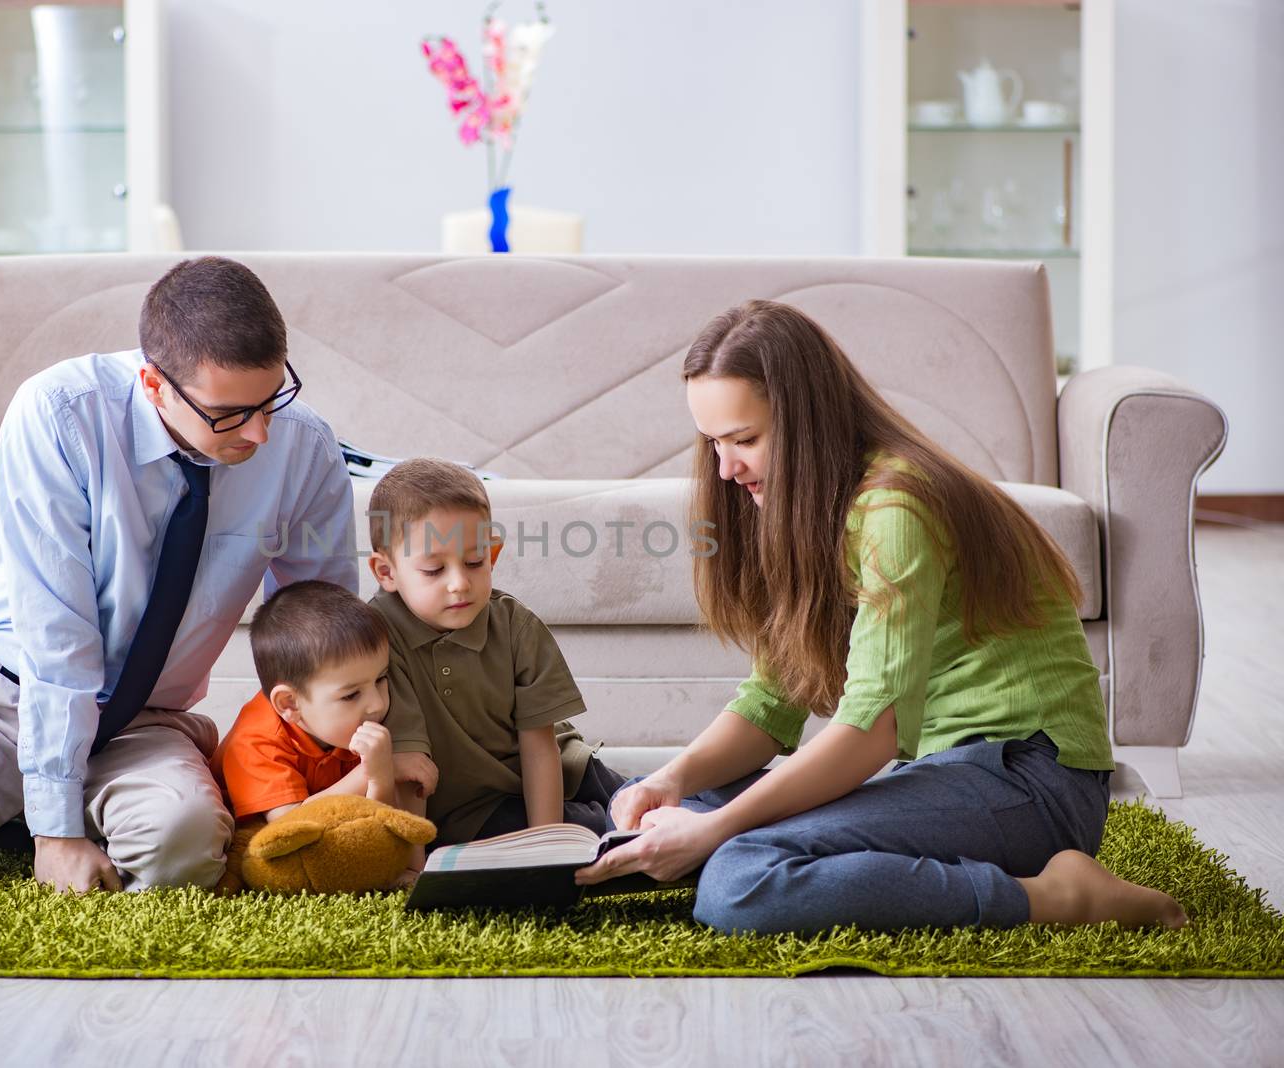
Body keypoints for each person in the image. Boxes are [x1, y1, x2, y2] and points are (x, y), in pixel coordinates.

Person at [574, 299, 1188, 935]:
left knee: (739, 876)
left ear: (807, 422)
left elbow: (873, 733)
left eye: (746, 440)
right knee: (646, 811)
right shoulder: (810, 509)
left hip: (1031, 785)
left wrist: (714, 832)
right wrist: (674, 781)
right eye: (714, 444)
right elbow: (770, 707)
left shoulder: (896, 507)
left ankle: (1059, 898)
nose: (726, 470)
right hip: (943, 776)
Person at [0, 256, 359, 896]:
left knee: (184, 855)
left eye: (271, 399)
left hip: (144, 720)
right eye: (228, 414)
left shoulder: (305, 448)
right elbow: (57, 634)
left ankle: (12, 806)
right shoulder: (59, 413)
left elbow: (324, 635)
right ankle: (17, 801)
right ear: (154, 384)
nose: (261, 432)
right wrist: (55, 832)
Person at [366, 458, 627, 849]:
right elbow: (410, 766)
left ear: (493, 554)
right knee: (591, 833)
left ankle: (720, 808)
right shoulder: (377, 640)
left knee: (639, 800)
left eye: (474, 563)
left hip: (558, 764)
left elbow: (540, 746)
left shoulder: (514, 625)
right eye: (434, 570)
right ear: (386, 572)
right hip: (474, 809)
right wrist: (412, 861)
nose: (459, 584)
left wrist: (545, 843)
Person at [214, 580, 437, 889]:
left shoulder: (347, 723)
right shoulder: (256, 741)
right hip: (258, 839)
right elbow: (290, 826)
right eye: (351, 695)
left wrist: (382, 779)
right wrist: (370, 773)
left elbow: (371, 812)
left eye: (381, 679)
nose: (376, 703)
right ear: (290, 704)